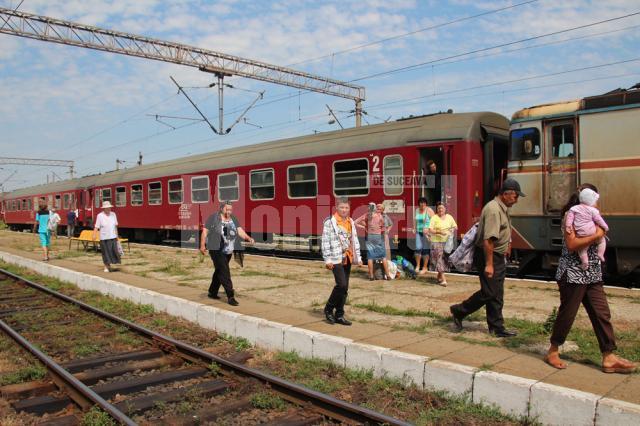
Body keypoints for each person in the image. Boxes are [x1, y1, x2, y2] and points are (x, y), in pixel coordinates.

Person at [545, 184, 636, 373]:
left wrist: (598, 232)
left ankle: (609, 356)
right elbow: (572, 244)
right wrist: (597, 234)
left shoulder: (592, 215)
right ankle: (553, 350)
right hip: (573, 273)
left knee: (601, 313)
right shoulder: (570, 217)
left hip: (593, 273)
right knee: (568, 313)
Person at [449, 178, 524, 338]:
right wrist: (489, 264)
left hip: (497, 255)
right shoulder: (493, 210)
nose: (516, 200)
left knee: (497, 293)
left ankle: (496, 327)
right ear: (506, 194)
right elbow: (488, 240)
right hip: (488, 255)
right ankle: (459, 310)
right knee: (490, 292)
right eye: (516, 196)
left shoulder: (501, 208)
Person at [200, 201, 254, 306]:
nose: (229, 211)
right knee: (225, 271)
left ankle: (212, 292)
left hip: (228, 250)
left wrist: (248, 238)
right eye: (227, 209)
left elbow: (240, 231)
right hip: (216, 248)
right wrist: (202, 245)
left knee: (219, 270)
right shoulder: (214, 218)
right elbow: (205, 232)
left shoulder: (233, 218)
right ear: (221, 209)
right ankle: (230, 296)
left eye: (230, 209)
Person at [322, 197, 363, 325]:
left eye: (346, 208)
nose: (344, 210)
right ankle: (328, 309)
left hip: (348, 257)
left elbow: (354, 240)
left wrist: (359, 258)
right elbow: (325, 241)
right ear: (337, 208)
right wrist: (327, 259)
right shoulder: (330, 222)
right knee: (341, 285)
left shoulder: (350, 221)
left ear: (349, 209)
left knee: (345, 288)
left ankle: (339, 315)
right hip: (335, 258)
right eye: (342, 207)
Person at [565, 187, 608, 269]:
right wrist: (604, 229)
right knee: (602, 241)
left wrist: (568, 226)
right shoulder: (593, 211)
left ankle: (585, 262)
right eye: (596, 201)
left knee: (582, 251)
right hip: (575, 273)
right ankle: (601, 254)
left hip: (592, 272)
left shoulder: (574, 211)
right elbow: (571, 245)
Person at [355, 202, 391, 280]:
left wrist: (364, 227)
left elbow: (355, 222)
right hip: (378, 237)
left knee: (370, 257)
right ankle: (388, 275)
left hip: (370, 237)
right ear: (375, 208)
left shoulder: (366, 215)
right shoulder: (379, 215)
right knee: (383, 257)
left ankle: (371, 276)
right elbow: (384, 226)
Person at [428, 202, 457, 286]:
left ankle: (439, 277)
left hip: (447, 242)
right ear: (437, 209)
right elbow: (430, 230)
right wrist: (439, 232)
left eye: (442, 208)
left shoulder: (449, 217)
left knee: (444, 260)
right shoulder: (434, 218)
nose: (440, 209)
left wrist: (452, 229)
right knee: (440, 260)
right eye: (439, 208)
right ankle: (444, 280)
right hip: (436, 242)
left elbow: (455, 226)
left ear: (445, 209)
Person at [93, 201, 120, 273]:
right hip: (104, 238)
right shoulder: (100, 215)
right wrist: (94, 235)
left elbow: (115, 226)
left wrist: (117, 236)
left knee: (112, 252)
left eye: (109, 208)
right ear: (104, 209)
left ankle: (109, 265)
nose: (108, 209)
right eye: (107, 208)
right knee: (105, 253)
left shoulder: (113, 214)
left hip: (113, 236)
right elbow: (96, 226)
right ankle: (106, 266)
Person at [414, 197, 434, 275]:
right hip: (418, 232)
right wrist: (414, 228)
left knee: (425, 250)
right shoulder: (417, 210)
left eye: (424, 203)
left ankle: (425, 267)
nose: (422, 204)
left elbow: (434, 221)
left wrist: (429, 229)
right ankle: (418, 266)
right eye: (421, 203)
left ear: (426, 204)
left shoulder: (429, 210)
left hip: (427, 233)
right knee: (418, 248)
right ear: (419, 204)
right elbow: (415, 220)